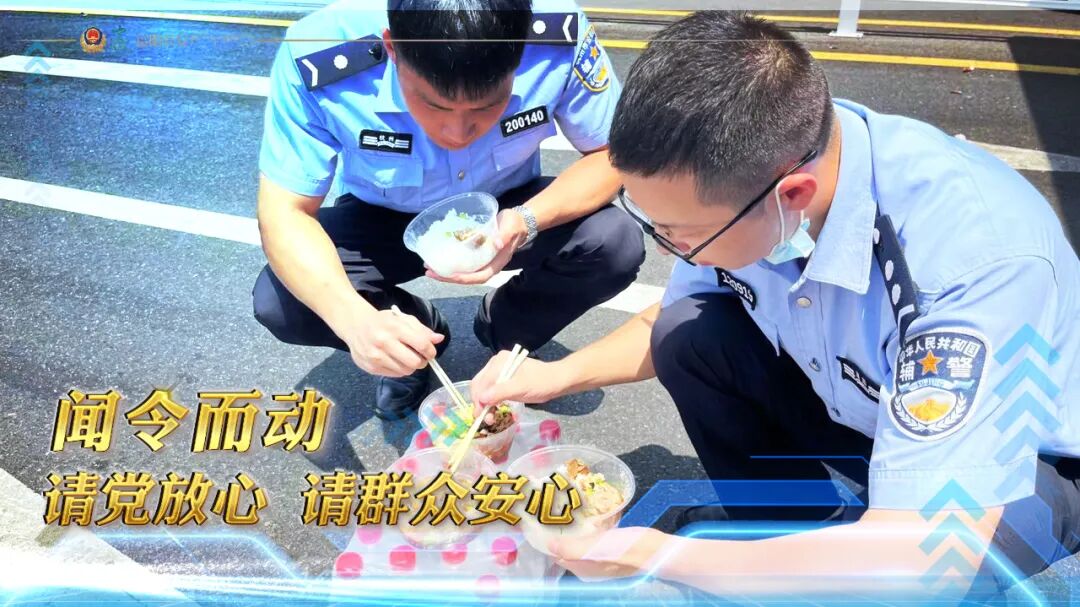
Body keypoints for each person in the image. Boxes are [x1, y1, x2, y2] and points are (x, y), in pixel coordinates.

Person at [471, 11, 1080, 598]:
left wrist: (661, 556)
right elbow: (671, 313)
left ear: (793, 194)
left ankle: (821, 561)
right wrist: (552, 376)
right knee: (688, 335)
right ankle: (787, 533)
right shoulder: (765, 164)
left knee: (933, 573)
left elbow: (926, 564)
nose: (668, 248)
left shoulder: (968, 264)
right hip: (866, 402)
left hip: (1021, 466)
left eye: (681, 234)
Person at [252, 0, 644, 420]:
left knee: (614, 242)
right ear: (393, 48)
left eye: (487, 106)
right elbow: (285, 212)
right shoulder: (317, 52)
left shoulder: (557, 34)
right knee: (283, 300)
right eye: (434, 105)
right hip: (381, 216)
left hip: (504, 205)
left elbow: (613, 154)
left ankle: (507, 328)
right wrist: (353, 320)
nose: (457, 133)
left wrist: (525, 220)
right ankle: (411, 338)